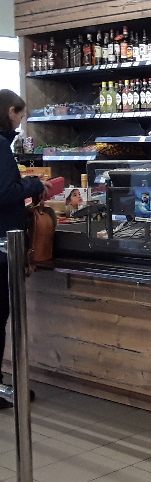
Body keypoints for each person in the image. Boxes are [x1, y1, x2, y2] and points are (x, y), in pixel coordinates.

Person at [0, 90, 54, 407]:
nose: (21, 123)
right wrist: (35, 185)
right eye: (20, 115)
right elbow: (5, 191)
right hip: (2, 245)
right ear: (10, 111)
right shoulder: (0, 146)